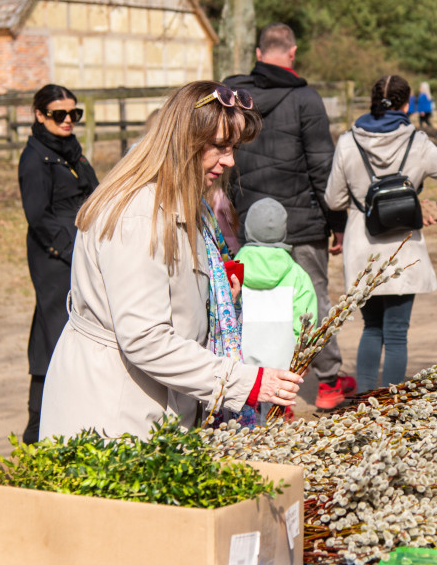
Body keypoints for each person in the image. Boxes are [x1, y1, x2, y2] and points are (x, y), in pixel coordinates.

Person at [38, 81, 303, 440]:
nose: (230, 161)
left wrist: (213, 287)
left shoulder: (182, 199)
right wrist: (245, 382)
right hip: (115, 412)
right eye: (221, 147)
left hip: (149, 402)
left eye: (234, 148)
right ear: (186, 140)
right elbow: (145, 337)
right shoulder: (138, 214)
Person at [223, 22, 354, 409]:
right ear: (292, 54)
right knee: (311, 301)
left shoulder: (234, 97)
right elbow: (322, 168)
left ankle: (264, 382)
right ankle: (328, 382)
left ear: (259, 54)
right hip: (300, 224)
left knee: (261, 306)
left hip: (250, 222)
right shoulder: (306, 99)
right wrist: (338, 224)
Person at [325, 75, 437, 394]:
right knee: (397, 332)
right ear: (407, 104)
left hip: (362, 245)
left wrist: (360, 199)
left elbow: (333, 200)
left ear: (372, 102)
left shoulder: (348, 141)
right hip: (404, 245)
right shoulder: (418, 142)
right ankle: (390, 404)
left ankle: (364, 401)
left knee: (371, 328)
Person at [17, 84, 99, 444]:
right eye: (58, 115)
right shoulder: (35, 159)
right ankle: (41, 429)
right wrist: (71, 251)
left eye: (74, 114)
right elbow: (38, 216)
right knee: (58, 334)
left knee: (57, 334)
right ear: (39, 115)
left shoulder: (73, 153)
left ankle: (47, 426)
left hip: (82, 249)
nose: (68, 121)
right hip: (55, 257)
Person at [236, 197, 318, 368]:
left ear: (247, 230)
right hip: (283, 365)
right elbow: (306, 324)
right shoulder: (298, 276)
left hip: (239, 365)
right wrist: (301, 359)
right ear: (284, 232)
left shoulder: (232, 272)